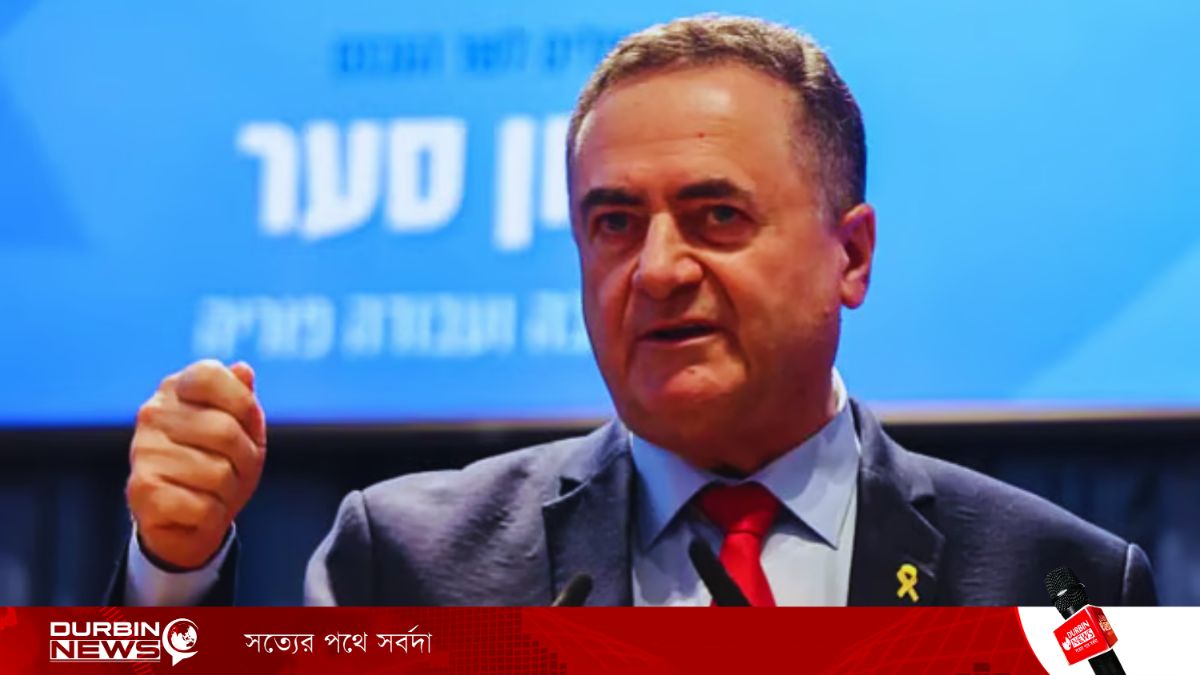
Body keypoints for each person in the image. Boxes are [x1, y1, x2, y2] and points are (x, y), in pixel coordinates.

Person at [109, 15, 1157, 607]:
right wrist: (175, 571)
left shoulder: (1060, 581)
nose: (656, 269)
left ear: (851, 254)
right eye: (614, 223)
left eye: (716, 216)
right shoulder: (409, 562)